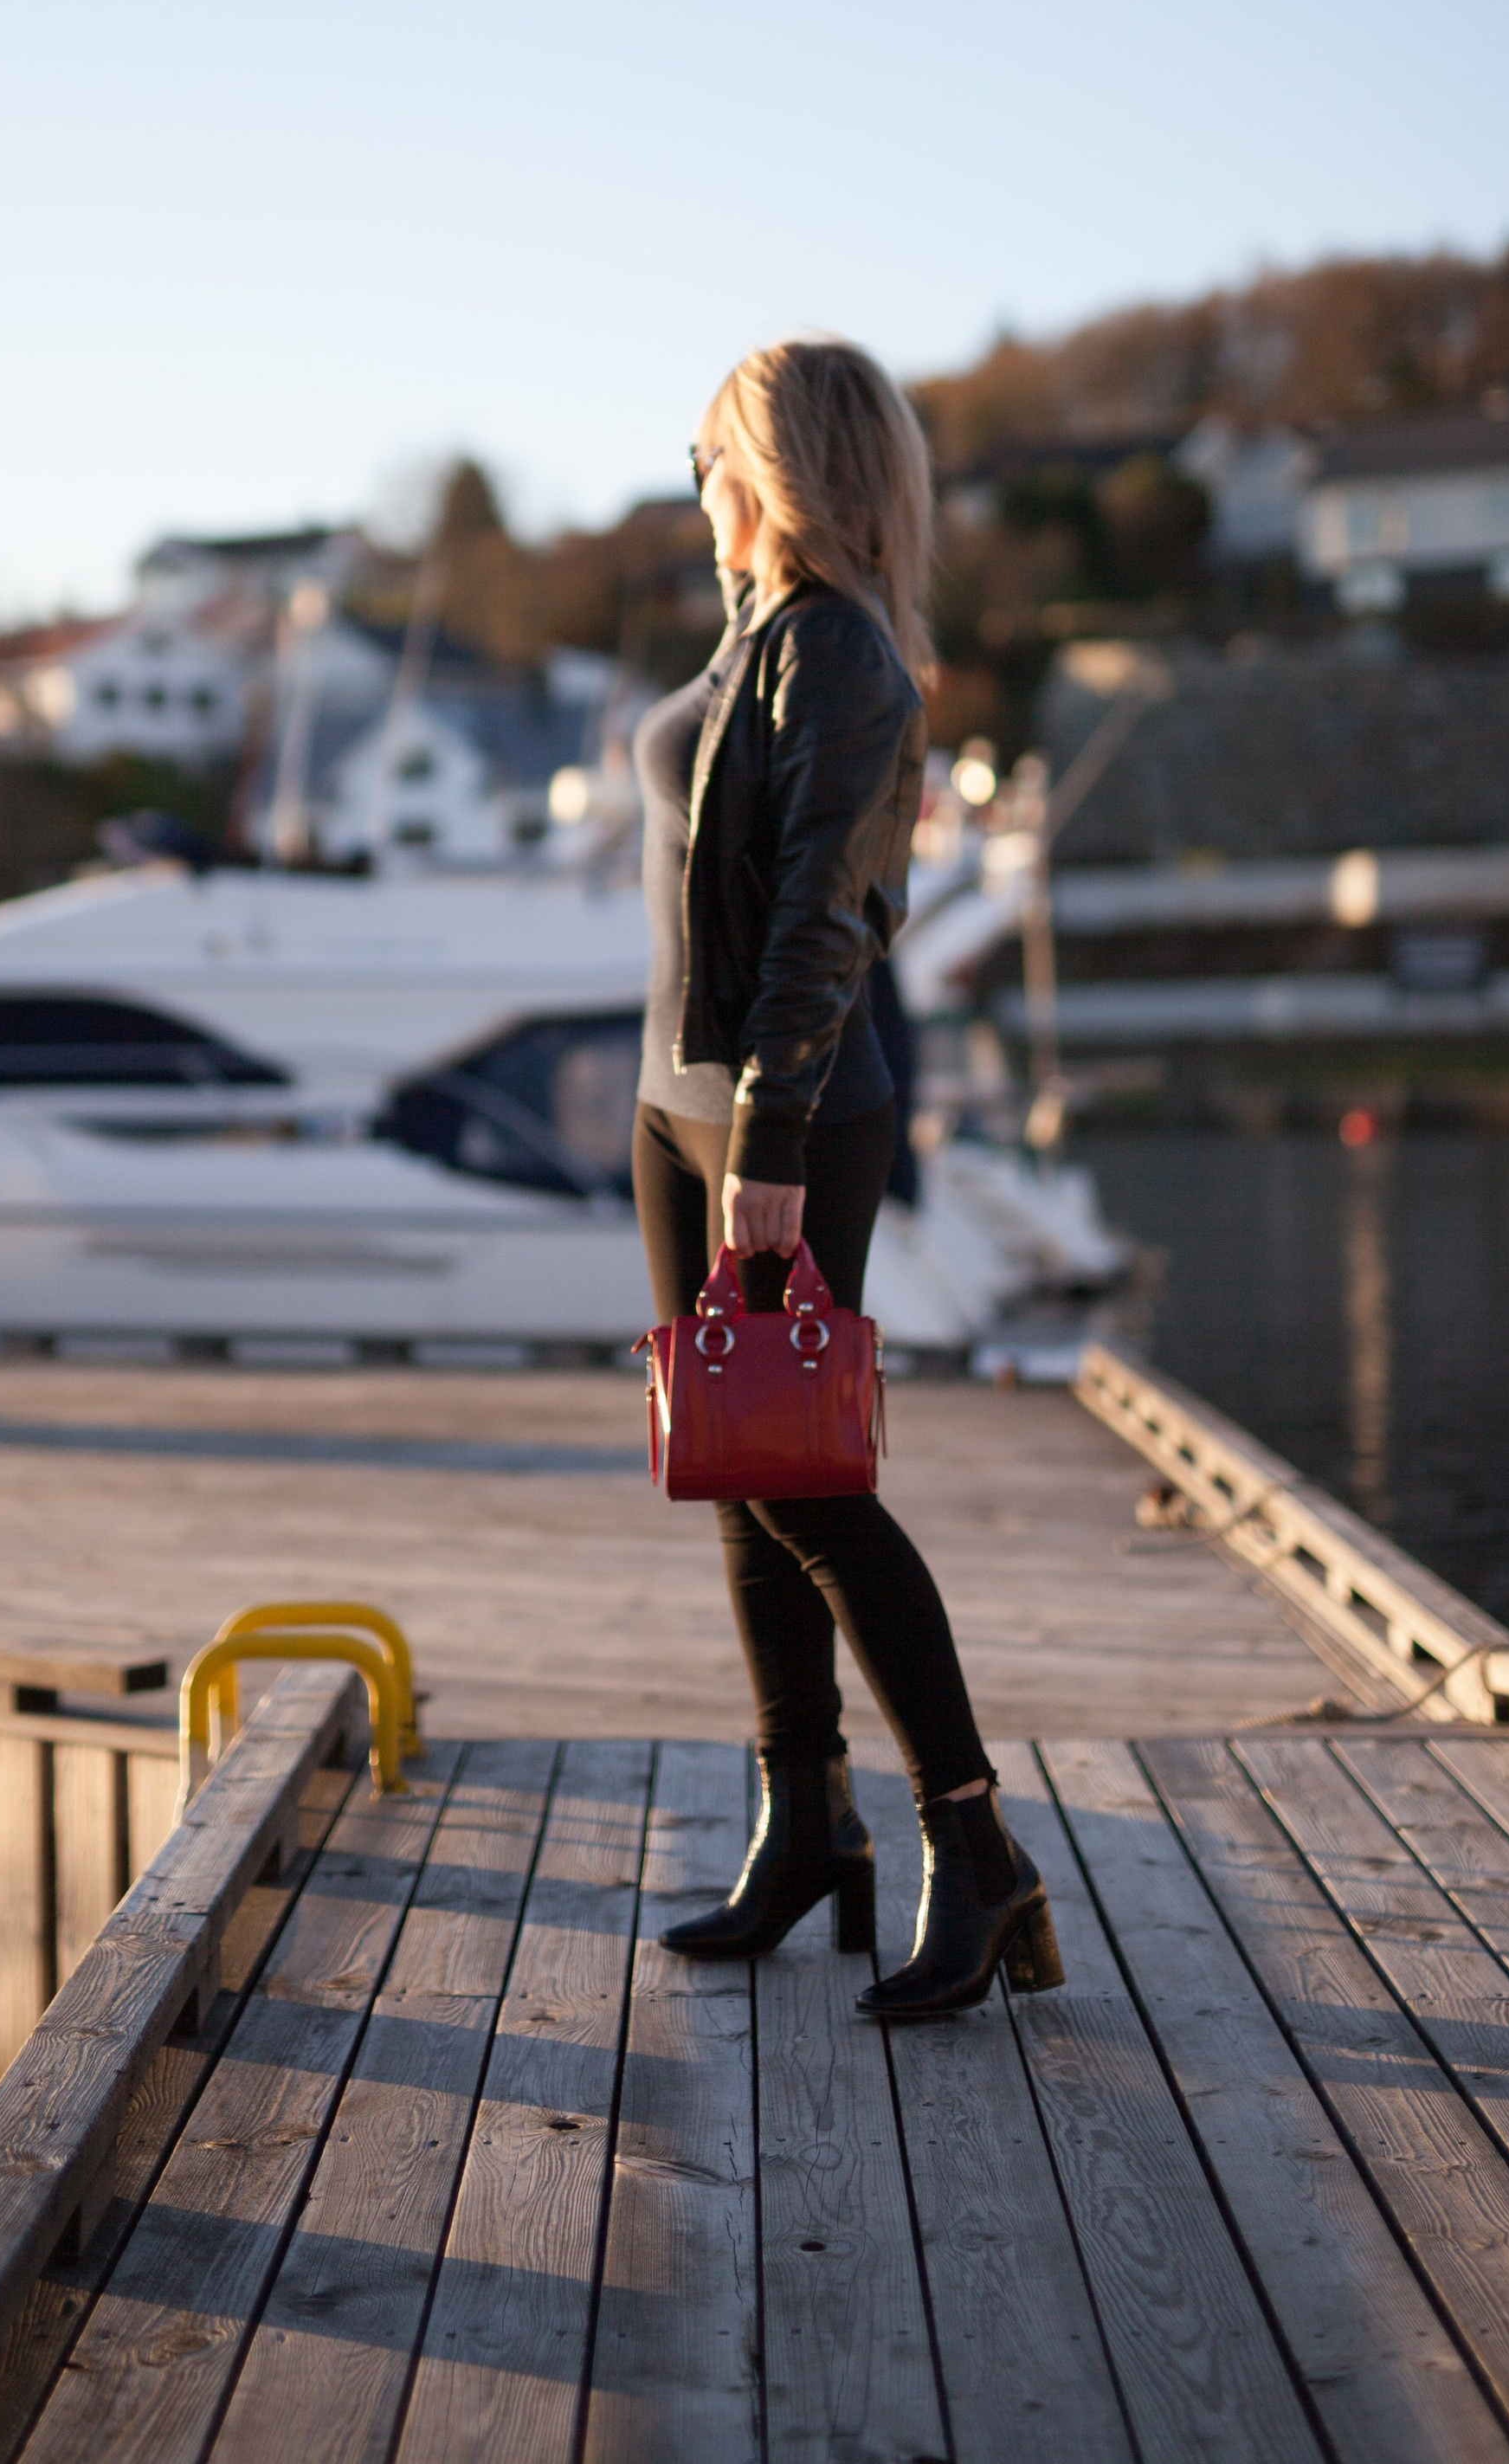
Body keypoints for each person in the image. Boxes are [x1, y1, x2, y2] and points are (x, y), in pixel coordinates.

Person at [631, 335, 1064, 2019]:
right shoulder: (752, 635)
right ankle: (801, 1823)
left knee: (805, 1476)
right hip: (680, 1106)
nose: (697, 490)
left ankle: (973, 1843)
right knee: (731, 1472)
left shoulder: (843, 659)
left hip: (778, 1118)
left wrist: (768, 1151)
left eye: (706, 458)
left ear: (777, 468)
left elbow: (823, 921)